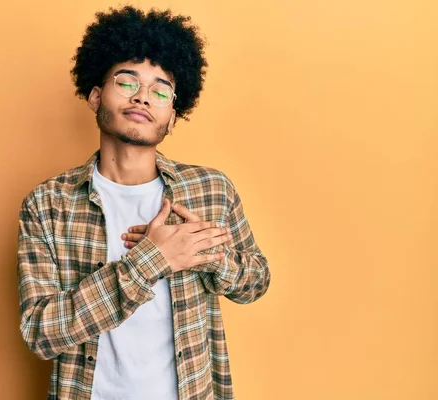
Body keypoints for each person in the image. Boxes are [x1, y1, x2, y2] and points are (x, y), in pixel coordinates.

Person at [17, 6, 271, 400]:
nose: (142, 97)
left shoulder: (211, 189)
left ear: (172, 117)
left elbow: (255, 282)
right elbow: (41, 332)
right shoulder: (48, 204)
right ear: (96, 95)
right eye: (127, 81)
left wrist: (208, 253)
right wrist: (154, 259)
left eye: (160, 89)